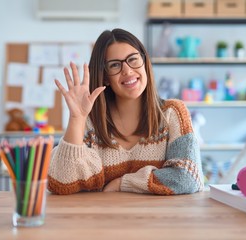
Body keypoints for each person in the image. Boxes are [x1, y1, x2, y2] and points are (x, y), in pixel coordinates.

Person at [47, 28, 204, 195]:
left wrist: (124, 183)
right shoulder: (89, 122)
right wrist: (77, 118)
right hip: (102, 219)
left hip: (159, 220)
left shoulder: (173, 113)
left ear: (145, 62)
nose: (127, 71)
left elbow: (188, 177)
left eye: (133, 60)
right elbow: (61, 183)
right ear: (105, 76)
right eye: (115, 65)